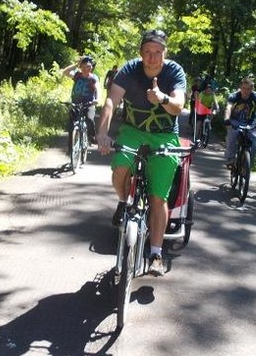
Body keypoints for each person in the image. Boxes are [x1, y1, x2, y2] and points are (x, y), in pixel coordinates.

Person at [96, 29, 187, 277]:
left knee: (159, 196)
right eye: (147, 51)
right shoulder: (130, 69)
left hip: (164, 135)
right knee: (120, 170)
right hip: (133, 130)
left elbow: (179, 106)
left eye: (158, 52)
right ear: (141, 53)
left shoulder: (174, 71)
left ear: (164, 53)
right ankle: (124, 202)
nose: (152, 57)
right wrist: (102, 133)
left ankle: (156, 253)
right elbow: (111, 101)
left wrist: (162, 98)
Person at [224, 77, 256, 168]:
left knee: (254, 144)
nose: (245, 91)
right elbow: (228, 108)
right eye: (243, 88)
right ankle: (230, 159)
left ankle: (246, 165)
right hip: (235, 121)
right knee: (232, 136)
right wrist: (226, 119)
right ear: (240, 87)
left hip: (250, 123)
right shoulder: (234, 96)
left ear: (252, 89)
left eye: (248, 89)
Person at [62, 56, 99, 144]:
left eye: (88, 67)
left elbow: (98, 89)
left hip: (89, 104)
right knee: (71, 124)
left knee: (89, 119)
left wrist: (97, 99)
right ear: (80, 67)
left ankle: (91, 136)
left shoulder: (93, 78)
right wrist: (76, 65)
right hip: (76, 103)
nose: (85, 69)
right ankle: (71, 146)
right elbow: (65, 72)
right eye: (83, 66)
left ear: (91, 67)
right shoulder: (77, 75)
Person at [194, 79, 219, 144]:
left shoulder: (212, 94)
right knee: (199, 124)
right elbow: (199, 101)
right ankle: (196, 138)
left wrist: (217, 108)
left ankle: (208, 124)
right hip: (201, 109)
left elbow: (216, 102)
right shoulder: (202, 94)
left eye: (210, 90)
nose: (209, 91)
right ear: (205, 89)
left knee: (212, 113)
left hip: (208, 109)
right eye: (207, 89)